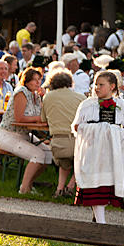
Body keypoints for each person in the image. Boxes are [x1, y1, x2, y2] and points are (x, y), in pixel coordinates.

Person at [72, 70, 124, 223]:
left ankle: (98, 217)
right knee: (96, 186)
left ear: (112, 86)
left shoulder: (121, 105)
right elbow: (76, 127)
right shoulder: (87, 105)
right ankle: (101, 221)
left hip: (113, 154)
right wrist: (97, 129)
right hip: (93, 153)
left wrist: (120, 130)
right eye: (95, 84)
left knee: (107, 185)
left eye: (101, 85)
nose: (97, 88)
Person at [0, 67, 51, 194]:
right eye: (35, 80)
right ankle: (24, 189)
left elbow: (42, 114)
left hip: (25, 134)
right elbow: (19, 118)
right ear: (27, 80)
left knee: (48, 154)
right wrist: (38, 119)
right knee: (38, 155)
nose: (38, 83)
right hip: (8, 135)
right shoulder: (21, 92)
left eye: (39, 80)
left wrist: (43, 98)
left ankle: (29, 183)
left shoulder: (35, 95)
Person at [40, 70, 83, 198]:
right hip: (78, 141)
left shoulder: (48, 97)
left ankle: (59, 189)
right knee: (82, 161)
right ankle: (70, 186)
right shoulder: (81, 97)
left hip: (58, 142)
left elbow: (43, 119)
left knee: (64, 163)